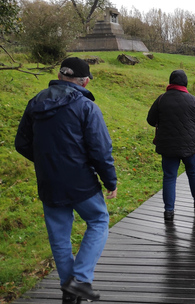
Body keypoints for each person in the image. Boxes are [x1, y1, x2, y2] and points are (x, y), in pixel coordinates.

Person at [15, 57, 117, 303]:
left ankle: (68, 291)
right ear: (85, 81)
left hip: (48, 181)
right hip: (80, 181)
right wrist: (110, 182)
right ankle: (80, 280)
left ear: (59, 77)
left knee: (59, 237)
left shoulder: (35, 103)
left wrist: (47, 162)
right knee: (99, 220)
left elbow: (22, 144)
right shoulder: (86, 107)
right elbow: (100, 150)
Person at [147, 69, 195, 221]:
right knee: (193, 172)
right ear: (185, 83)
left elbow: (150, 120)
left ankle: (169, 211)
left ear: (170, 82)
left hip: (168, 146)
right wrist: (192, 129)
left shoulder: (161, 99)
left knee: (169, 177)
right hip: (190, 146)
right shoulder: (193, 100)